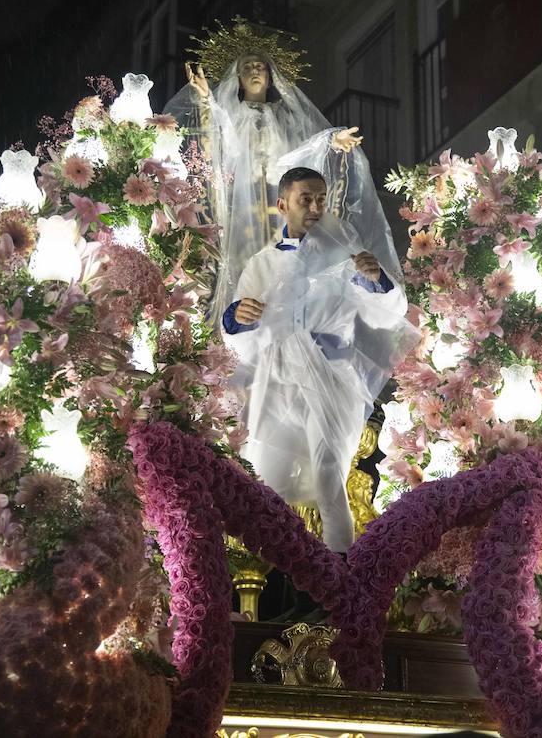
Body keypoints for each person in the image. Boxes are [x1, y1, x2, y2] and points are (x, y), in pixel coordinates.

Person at [222, 167, 418, 556]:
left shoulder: (345, 255)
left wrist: (375, 279)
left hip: (332, 374)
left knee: (329, 473)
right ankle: (271, 572)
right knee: (267, 479)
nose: (315, 208)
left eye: (321, 200)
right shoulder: (262, 264)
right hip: (281, 379)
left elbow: (388, 313)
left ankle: (340, 569)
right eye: (305, 200)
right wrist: (238, 316)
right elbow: (241, 335)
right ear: (283, 205)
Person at [164, 48, 364, 325]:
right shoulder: (230, 113)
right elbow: (215, 143)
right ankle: (237, 324)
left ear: (270, 78)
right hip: (241, 208)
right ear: (238, 78)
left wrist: (331, 142)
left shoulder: (285, 118)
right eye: (247, 67)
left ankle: (286, 320)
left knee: (281, 265)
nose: (255, 71)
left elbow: (305, 149)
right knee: (242, 264)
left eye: (260, 66)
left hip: (278, 206)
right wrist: (206, 101)